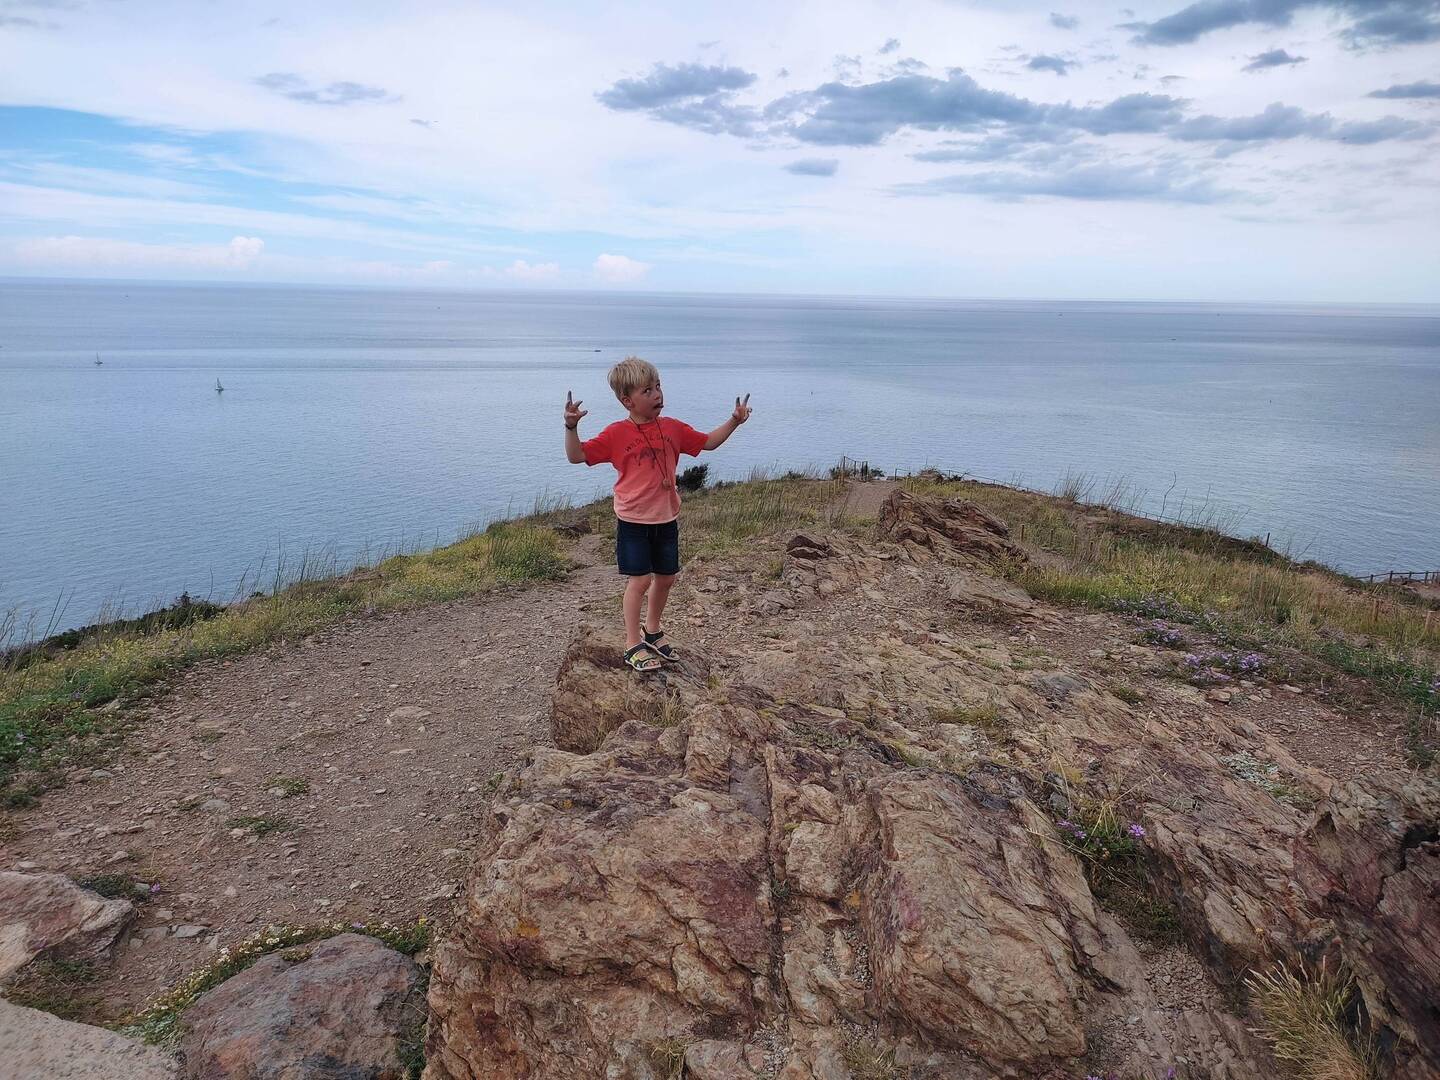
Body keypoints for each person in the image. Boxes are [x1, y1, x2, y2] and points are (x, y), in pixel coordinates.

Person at [564, 355, 752, 672]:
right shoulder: (616, 434)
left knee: (666, 578)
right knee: (639, 580)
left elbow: (708, 443)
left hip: (666, 518)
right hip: (633, 521)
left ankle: (652, 630)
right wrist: (571, 426)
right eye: (647, 390)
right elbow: (576, 456)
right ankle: (631, 643)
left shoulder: (673, 428)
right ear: (627, 400)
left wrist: (734, 421)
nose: (657, 394)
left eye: (658, 386)